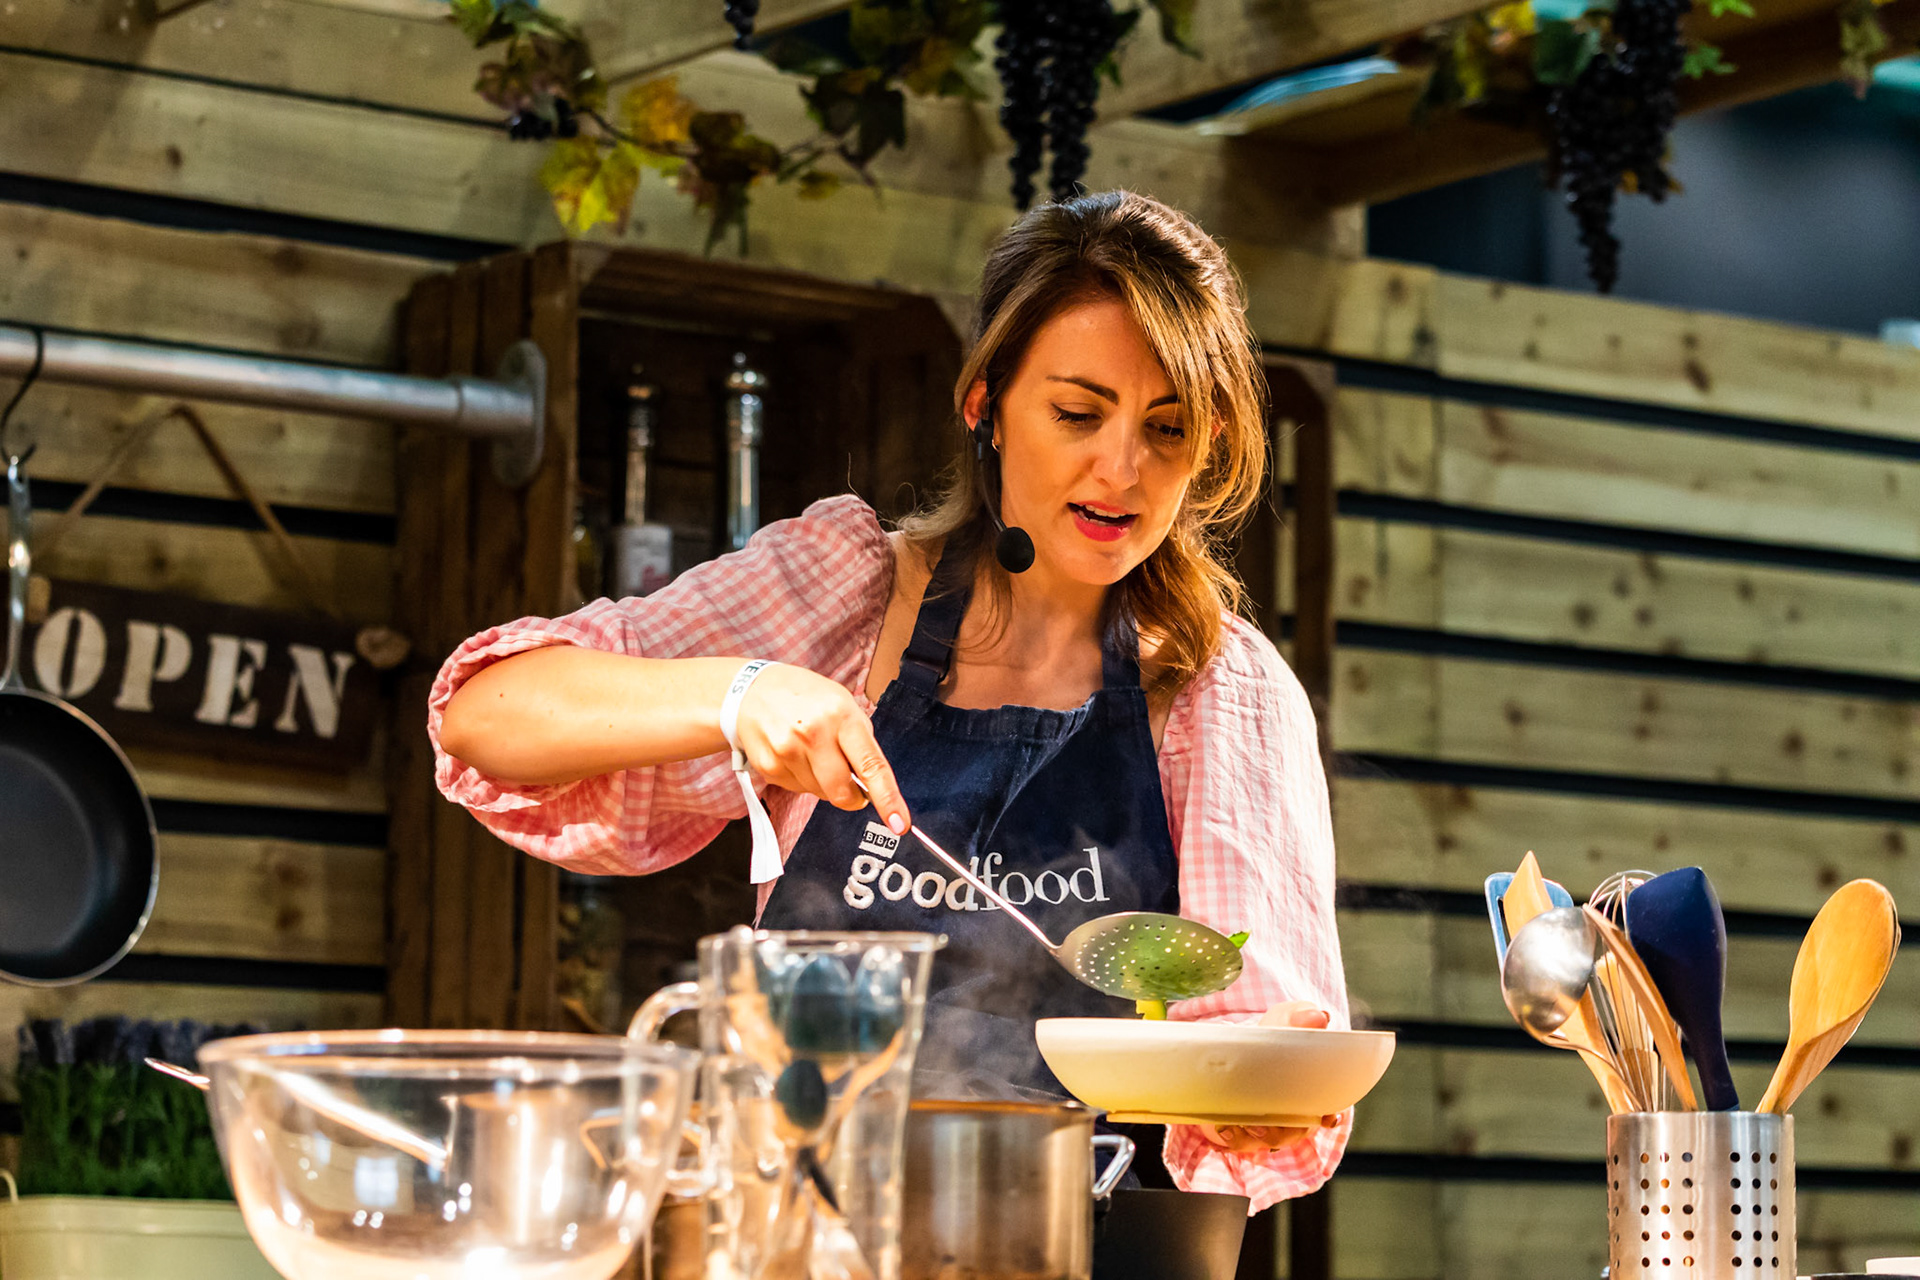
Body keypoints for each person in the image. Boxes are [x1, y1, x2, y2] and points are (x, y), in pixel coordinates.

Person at [432, 189, 1350, 1212]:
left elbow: (1258, 1044)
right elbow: (488, 713)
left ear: (1210, 441)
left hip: (1084, 1240)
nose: (1121, 467)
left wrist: (1259, 1092)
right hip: (799, 1229)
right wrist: (738, 694)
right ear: (986, 403)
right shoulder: (849, 591)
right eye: (1078, 412)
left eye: (1167, 428)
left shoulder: (1224, 688)